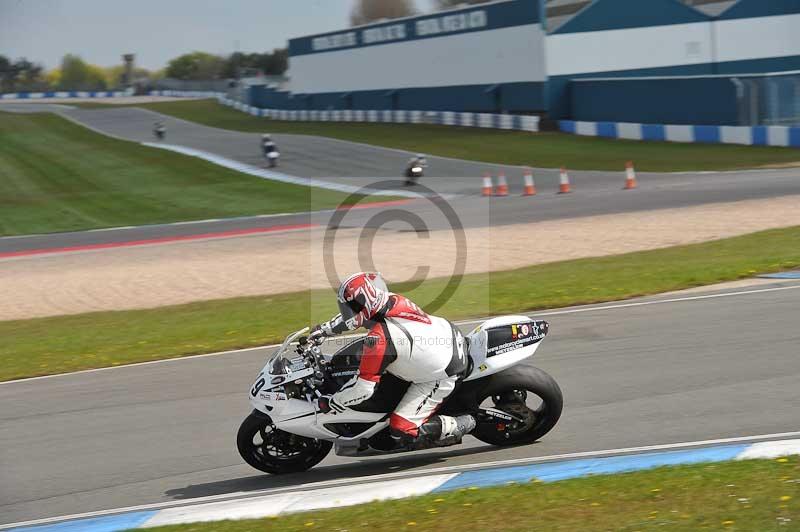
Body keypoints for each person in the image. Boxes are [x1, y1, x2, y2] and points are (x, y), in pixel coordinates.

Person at [310, 272, 476, 447]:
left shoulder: (380, 340)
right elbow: (354, 318)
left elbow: (363, 390)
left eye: (351, 307)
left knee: (402, 429)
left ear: (365, 304)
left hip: (444, 372)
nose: (347, 312)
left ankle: (467, 422)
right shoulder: (390, 300)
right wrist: (324, 329)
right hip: (446, 335)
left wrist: (334, 402)